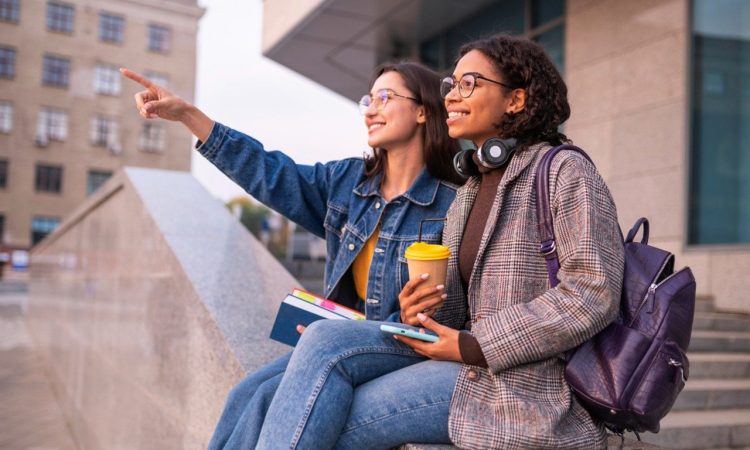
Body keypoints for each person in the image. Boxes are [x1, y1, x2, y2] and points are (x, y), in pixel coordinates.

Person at [252, 33, 625, 450]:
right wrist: (421, 307)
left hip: (521, 388)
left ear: (515, 100)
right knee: (317, 344)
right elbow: (458, 309)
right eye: (451, 85)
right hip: (463, 366)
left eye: (469, 84)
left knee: (321, 410)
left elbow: (593, 293)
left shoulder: (565, 171)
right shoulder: (472, 188)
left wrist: (476, 343)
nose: (451, 96)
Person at [121, 61, 463, 449]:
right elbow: (270, 173)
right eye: (368, 99)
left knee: (315, 354)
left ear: (423, 111)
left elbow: (461, 302)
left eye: (385, 98)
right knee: (249, 394)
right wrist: (187, 115)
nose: (370, 109)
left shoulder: (452, 202)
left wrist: (404, 314)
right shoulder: (349, 183)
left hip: (408, 343)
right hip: (350, 339)